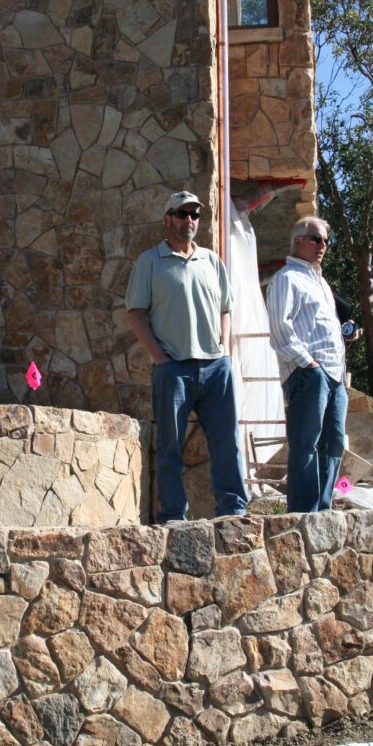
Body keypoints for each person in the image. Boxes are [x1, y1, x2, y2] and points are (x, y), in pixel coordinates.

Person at [125, 190, 248, 524]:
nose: (189, 220)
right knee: (169, 447)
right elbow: (136, 313)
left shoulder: (211, 261)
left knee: (227, 443)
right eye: (182, 214)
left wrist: (224, 349)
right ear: (168, 219)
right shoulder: (149, 262)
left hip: (215, 367)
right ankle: (173, 516)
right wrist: (160, 359)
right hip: (173, 369)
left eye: (194, 214)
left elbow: (226, 309)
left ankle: (234, 511)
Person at [266, 216, 348, 513]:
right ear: (298, 241)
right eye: (316, 238)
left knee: (334, 445)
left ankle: (322, 509)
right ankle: (303, 514)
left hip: (334, 374)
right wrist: (308, 364)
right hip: (309, 374)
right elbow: (279, 327)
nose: (322, 245)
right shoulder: (287, 278)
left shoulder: (322, 283)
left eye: (326, 240)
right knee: (306, 445)